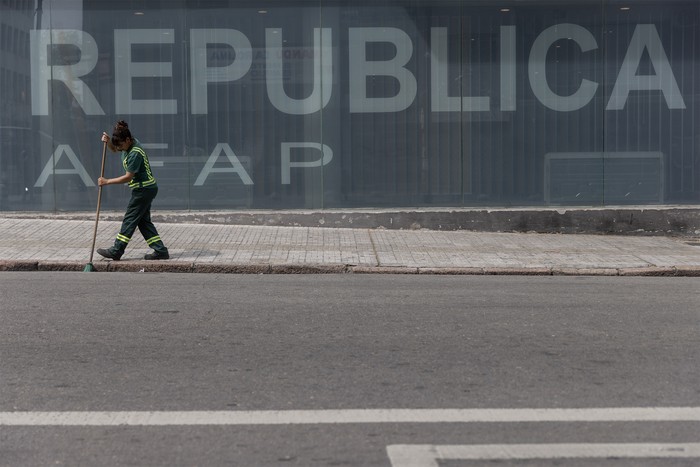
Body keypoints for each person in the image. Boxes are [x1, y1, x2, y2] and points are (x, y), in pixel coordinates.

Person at [96, 121, 170, 260]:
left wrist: (107, 181)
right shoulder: (128, 145)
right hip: (145, 188)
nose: (119, 148)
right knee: (143, 222)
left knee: (129, 219)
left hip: (144, 189)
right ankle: (160, 250)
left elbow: (128, 177)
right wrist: (108, 143)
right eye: (118, 145)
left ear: (128, 140)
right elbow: (115, 149)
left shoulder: (135, 153)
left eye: (121, 145)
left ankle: (117, 250)